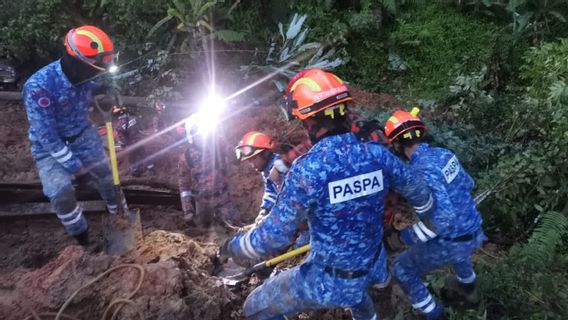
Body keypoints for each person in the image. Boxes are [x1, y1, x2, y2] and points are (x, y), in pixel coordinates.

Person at [220, 69, 435, 320]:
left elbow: (273, 238)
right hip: (375, 265)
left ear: (308, 120)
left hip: (331, 280)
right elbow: (421, 194)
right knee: (362, 298)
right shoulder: (378, 155)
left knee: (255, 308)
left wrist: (234, 247)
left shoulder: (308, 170)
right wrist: (415, 233)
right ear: (344, 110)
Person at [384, 108, 487, 319]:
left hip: (453, 240)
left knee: (403, 268)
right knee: (460, 255)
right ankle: (470, 292)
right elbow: (468, 183)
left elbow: (444, 217)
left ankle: (434, 314)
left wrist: (405, 237)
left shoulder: (421, 170)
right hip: (475, 230)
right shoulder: (444, 154)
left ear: (396, 145)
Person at [22, 25, 120, 246]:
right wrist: (77, 168)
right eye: (92, 70)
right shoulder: (39, 88)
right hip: (49, 147)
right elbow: (48, 138)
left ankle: (118, 217)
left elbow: (90, 86)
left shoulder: (82, 74)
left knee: (108, 176)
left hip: (83, 135)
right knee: (61, 193)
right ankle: (83, 238)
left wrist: (104, 90)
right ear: (74, 60)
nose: (94, 75)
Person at [178, 115, 240, 227]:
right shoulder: (186, 157)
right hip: (202, 202)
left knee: (235, 225)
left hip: (223, 199)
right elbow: (184, 186)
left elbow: (235, 157)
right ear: (191, 135)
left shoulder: (218, 143)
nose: (202, 137)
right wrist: (188, 210)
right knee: (204, 230)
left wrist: (229, 144)